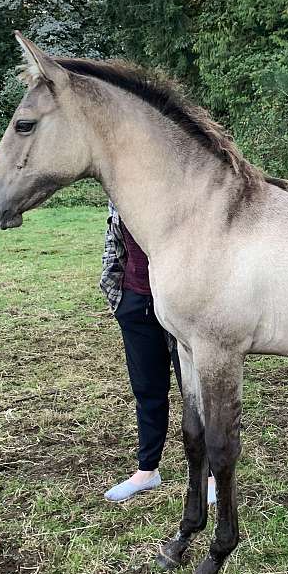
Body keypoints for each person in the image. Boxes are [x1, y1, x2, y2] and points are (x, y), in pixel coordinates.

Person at [100, 201, 216, 504]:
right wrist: (119, 297)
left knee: (198, 392)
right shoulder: (120, 190)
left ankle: (212, 474)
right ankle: (147, 471)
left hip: (184, 305)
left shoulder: (180, 184)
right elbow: (113, 240)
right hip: (136, 301)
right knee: (147, 391)